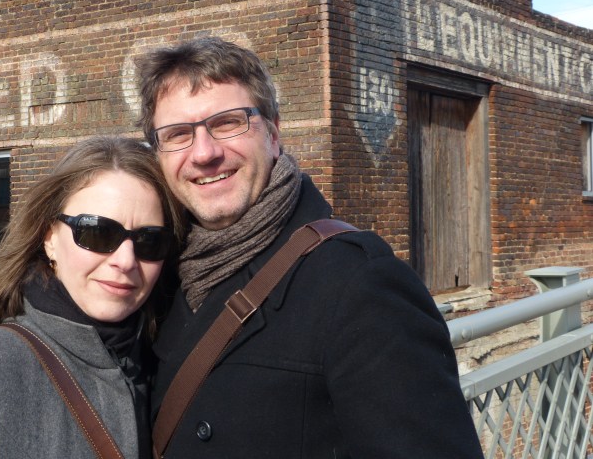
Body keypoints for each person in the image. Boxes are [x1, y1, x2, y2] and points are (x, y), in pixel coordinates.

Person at [136, 36, 484, 458]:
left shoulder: (360, 283)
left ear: (274, 133)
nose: (205, 153)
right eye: (177, 134)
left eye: (228, 123)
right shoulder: (156, 276)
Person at [0, 136, 185, 459]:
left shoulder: (160, 368)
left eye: (149, 241)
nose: (126, 261)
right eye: (98, 232)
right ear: (49, 238)